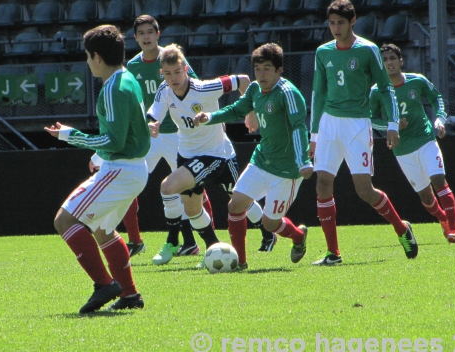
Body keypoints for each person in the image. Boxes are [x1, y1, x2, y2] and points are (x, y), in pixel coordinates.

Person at [44, 25, 148, 313]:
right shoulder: (127, 78)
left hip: (121, 168)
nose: (88, 62)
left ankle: (105, 285)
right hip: (131, 168)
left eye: (88, 57)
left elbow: (113, 140)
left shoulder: (114, 87)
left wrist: (69, 135)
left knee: (64, 221)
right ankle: (130, 295)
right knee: (103, 230)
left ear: (97, 57)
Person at [309, 0, 418, 265]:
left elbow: (385, 88)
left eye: (340, 23)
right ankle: (333, 253)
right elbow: (318, 93)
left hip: (357, 125)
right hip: (328, 124)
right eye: (331, 23)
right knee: (323, 183)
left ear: (352, 21)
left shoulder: (368, 50)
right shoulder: (323, 52)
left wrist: (392, 124)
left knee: (364, 190)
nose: (335, 28)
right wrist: (313, 135)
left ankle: (402, 228)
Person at [194, 43, 313, 268]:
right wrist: (210, 117)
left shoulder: (289, 94)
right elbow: (237, 109)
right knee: (235, 205)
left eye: (267, 68)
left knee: (269, 223)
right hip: (261, 160)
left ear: (279, 70)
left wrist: (303, 161)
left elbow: (299, 127)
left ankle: (298, 236)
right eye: (257, 69)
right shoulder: (255, 89)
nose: (261, 74)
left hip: (287, 170)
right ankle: (240, 262)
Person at [148, 44, 266, 268]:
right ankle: (213, 247)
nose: (173, 78)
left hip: (214, 154)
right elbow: (153, 115)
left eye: (177, 72)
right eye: (167, 73)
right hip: (187, 155)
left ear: (185, 68)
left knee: (168, 187)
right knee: (192, 209)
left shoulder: (204, 88)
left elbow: (243, 80)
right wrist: (151, 124)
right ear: (161, 73)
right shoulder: (164, 90)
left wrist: (250, 113)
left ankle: (172, 240)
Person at [123, 15, 216, 260]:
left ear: (158, 34)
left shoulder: (173, 59)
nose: (146, 37)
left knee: (194, 189)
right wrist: (143, 124)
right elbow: (134, 102)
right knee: (127, 183)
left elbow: (195, 85)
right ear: (135, 38)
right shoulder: (132, 67)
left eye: (149, 32)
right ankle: (135, 240)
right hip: (150, 137)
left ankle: (209, 245)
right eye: (141, 33)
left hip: (178, 134)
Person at [370, 43, 455, 243]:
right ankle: (443, 219)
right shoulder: (377, 91)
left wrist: (439, 119)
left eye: (392, 58)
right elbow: (370, 118)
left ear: (401, 61)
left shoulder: (416, 81)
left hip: (425, 139)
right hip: (402, 149)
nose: (389, 63)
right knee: (426, 197)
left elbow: (436, 97)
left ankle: (453, 230)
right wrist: (391, 125)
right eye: (384, 60)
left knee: (439, 181)